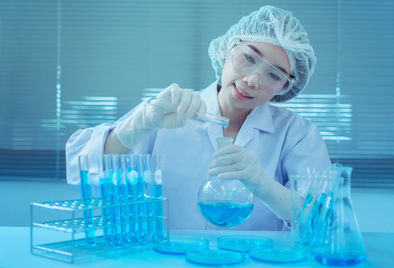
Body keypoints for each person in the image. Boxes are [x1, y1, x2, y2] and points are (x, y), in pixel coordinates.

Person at [66, 5, 330, 231]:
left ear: (285, 86)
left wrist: (264, 186)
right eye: (248, 58)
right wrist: (141, 123)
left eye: (274, 75)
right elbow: (83, 170)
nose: (252, 80)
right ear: (227, 50)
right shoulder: (168, 111)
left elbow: (322, 222)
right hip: (167, 260)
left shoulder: (296, 133)